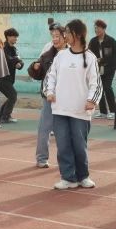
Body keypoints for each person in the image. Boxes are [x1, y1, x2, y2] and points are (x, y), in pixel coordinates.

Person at [43, 18, 102, 190]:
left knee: (79, 145)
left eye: (68, 32)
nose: (65, 35)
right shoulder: (61, 55)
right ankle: (68, 177)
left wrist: (92, 100)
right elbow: (50, 76)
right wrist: (49, 92)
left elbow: (96, 83)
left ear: (78, 34)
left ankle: (83, 176)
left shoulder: (89, 57)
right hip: (60, 109)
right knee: (63, 145)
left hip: (80, 111)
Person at [28, 24, 65, 169]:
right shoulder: (47, 55)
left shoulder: (72, 54)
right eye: (53, 36)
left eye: (57, 36)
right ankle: (42, 158)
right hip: (49, 98)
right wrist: (34, 68)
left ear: (65, 37)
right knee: (44, 128)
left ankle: (65, 160)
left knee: (64, 131)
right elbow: (38, 74)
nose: (55, 39)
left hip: (66, 98)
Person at [88, 20, 116, 120]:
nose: (96, 30)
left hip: (109, 68)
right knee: (99, 88)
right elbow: (89, 54)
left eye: (98, 28)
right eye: (95, 28)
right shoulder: (93, 41)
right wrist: (95, 61)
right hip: (97, 69)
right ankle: (103, 112)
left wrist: (103, 60)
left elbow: (115, 56)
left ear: (104, 29)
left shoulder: (111, 41)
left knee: (107, 87)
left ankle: (113, 111)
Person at [1, 27, 24, 123]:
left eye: (16, 37)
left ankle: (1, 115)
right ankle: (5, 116)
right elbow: (7, 60)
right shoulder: (3, 48)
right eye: (14, 36)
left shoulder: (14, 49)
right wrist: (16, 61)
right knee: (13, 95)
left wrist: (20, 64)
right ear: (8, 37)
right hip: (2, 78)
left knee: (11, 96)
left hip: (10, 78)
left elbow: (20, 61)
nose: (16, 39)